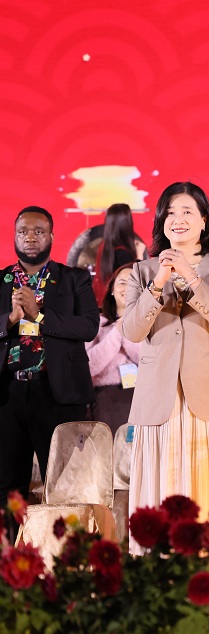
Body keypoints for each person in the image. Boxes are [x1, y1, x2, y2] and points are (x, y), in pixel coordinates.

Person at [121, 182, 209, 542]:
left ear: (204, 220)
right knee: (162, 488)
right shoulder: (142, 271)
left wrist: (192, 278)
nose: (177, 219)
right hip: (159, 401)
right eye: (170, 213)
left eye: (186, 212)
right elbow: (132, 331)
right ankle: (161, 560)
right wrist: (158, 282)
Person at [0, 206, 99, 540]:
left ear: (52, 236)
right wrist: (10, 319)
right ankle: (10, 557)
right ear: (15, 237)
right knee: (7, 485)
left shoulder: (74, 278)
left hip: (58, 395)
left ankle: (65, 557)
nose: (30, 237)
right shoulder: (2, 281)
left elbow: (88, 326)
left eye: (38, 231)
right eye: (23, 231)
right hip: (8, 395)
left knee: (64, 484)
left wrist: (39, 315)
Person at [86, 264, 140, 436]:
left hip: (142, 396)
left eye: (133, 283)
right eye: (122, 283)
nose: (127, 288)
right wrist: (117, 332)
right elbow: (89, 366)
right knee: (111, 449)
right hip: (107, 398)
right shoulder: (96, 323)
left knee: (141, 451)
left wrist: (127, 329)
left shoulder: (150, 323)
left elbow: (149, 361)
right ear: (112, 289)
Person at [94, 203, 147, 303]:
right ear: (127, 223)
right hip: (120, 305)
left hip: (106, 302)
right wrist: (139, 256)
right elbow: (134, 280)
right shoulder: (122, 253)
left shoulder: (104, 247)